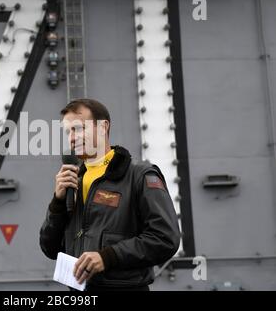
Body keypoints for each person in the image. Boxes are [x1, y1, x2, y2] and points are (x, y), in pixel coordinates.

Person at [39, 98, 181, 291]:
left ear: (103, 127)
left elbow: (165, 238)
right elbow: (50, 248)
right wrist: (58, 202)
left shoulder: (139, 175)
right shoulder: (73, 180)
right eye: (67, 132)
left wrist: (107, 257)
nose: (71, 138)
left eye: (78, 129)